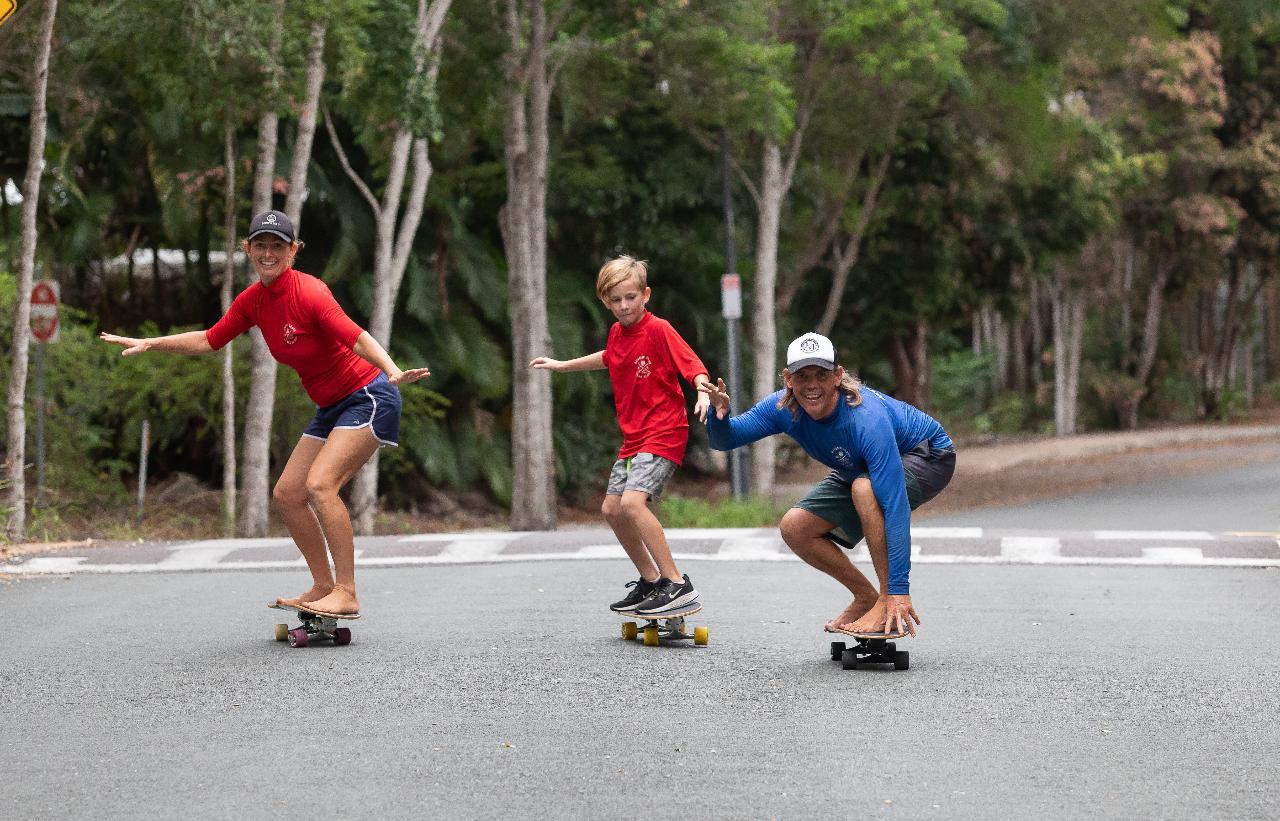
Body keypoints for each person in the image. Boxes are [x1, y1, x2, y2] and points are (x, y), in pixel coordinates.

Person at [100, 210, 429, 617]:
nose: (268, 253)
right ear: (248, 250)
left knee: (320, 485)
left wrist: (393, 370)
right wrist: (152, 343)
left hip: (369, 396)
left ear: (293, 250)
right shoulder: (254, 301)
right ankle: (323, 586)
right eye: (260, 246)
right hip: (330, 407)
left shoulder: (309, 293)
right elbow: (209, 340)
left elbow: (356, 337)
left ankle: (347, 591)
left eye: (277, 246)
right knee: (288, 493)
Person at [700, 332, 955, 636]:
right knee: (795, 527)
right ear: (788, 378)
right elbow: (726, 439)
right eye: (802, 375)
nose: (812, 385)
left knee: (865, 488)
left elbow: (895, 506)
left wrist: (900, 590)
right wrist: (720, 416)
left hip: (928, 454)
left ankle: (887, 600)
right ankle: (866, 597)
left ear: (838, 376)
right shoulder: (783, 408)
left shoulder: (866, 419)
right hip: (858, 466)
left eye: (821, 375)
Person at [530, 255, 712, 616]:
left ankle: (676, 583)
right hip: (635, 438)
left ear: (645, 294)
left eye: (630, 297)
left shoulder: (659, 329)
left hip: (664, 430)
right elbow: (610, 356)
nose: (624, 306)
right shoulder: (617, 333)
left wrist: (704, 392)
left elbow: (692, 366)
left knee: (632, 504)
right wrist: (563, 365)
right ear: (606, 302)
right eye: (616, 300)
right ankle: (650, 581)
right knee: (612, 509)